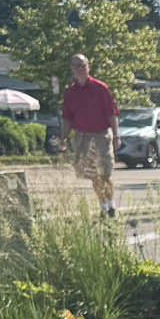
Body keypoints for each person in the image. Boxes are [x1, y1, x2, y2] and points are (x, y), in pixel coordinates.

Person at [60, 54, 118, 219]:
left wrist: (116, 135)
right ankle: (103, 207)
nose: (80, 69)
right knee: (93, 175)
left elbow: (111, 114)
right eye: (76, 66)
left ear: (88, 67)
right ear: (72, 69)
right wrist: (63, 138)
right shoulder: (70, 92)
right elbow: (67, 118)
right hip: (82, 137)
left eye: (83, 65)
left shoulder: (101, 88)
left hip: (101, 135)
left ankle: (111, 204)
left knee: (105, 173)